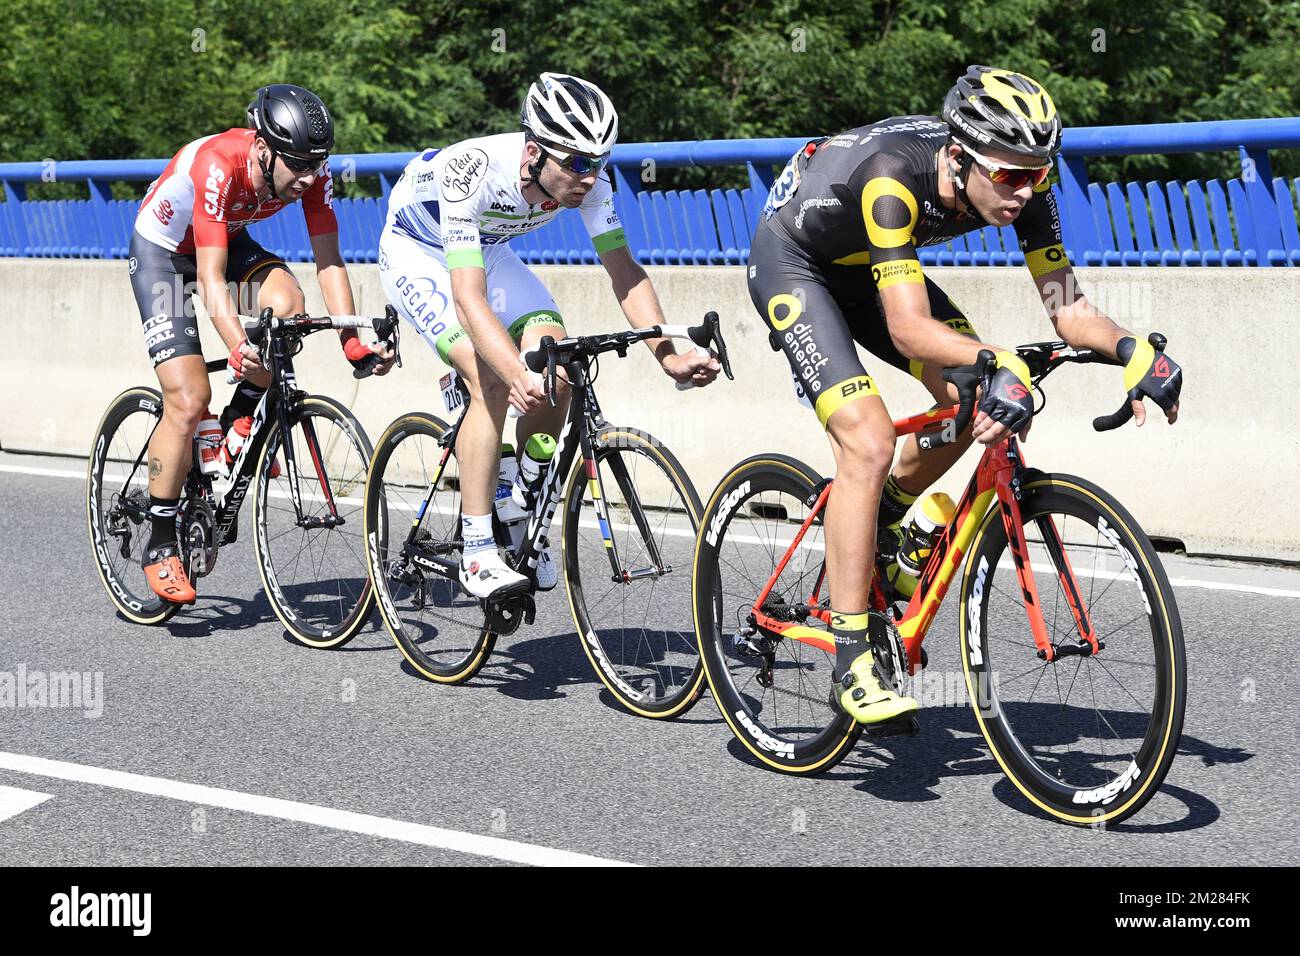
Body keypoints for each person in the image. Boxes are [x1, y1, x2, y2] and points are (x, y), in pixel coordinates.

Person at [746, 65, 1184, 724]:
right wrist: (997, 358)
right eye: (1008, 176)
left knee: (979, 395)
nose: (1023, 191)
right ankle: (853, 658)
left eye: (1038, 174)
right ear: (958, 156)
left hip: (871, 269)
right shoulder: (894, 177)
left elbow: (1067, 310)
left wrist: (1130, 349)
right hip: (796, 265)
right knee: (867, 442)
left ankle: (888, 522)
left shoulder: (1023, 187)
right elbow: (907, 327)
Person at [378, 72, 720, 601]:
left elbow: (624, 270)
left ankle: (521, 499)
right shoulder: (470, 173)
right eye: (578, 163)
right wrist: (512, 372)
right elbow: (468, 296)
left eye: (599, 162)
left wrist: (668, 356)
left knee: (557, 363)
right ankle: (476, 551)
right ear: (533, 153)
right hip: (417, 251)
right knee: (491, 381)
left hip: (488, 250)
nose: (590, 176)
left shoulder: (590, 182)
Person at [130, 83, 394, 604]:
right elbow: (208, 279)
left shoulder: (312, 175)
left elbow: (329, 261)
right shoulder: (217, 164)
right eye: (296, 165)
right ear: (263, 148)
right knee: (188, 400)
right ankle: (160, 542)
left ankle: (237, 424)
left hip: (225, 241)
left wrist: (351, 339)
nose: (308, 178)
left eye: (316, 165)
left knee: (288, 309)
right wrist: (235, 346)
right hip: (166, 255)